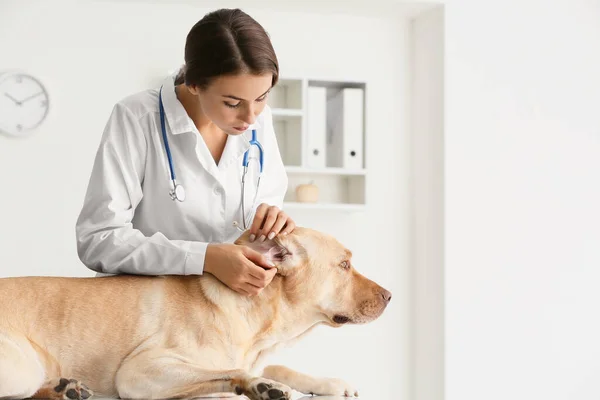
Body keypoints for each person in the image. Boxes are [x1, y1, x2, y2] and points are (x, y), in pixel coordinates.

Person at [75, 8, 295, 297]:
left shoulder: (259, 122)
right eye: (232, 102)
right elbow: (98, 240)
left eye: (262, 97)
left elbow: (261, 210)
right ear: (193, 84)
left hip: (229, 310)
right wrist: (205, 258)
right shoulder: (138, 117)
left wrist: (273, 225)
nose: (251, 117)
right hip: (150, 310)